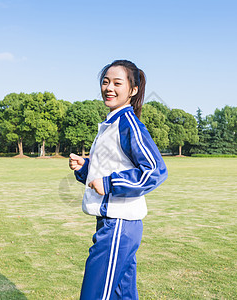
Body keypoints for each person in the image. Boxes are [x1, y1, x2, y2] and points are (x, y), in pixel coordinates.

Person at [69, 59, 168, 300]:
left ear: (133, 90)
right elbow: (109, 169)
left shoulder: (128, 124)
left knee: (94, 295)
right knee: (122, 295)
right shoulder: (110, 124)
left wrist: (111, 183)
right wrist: (86, 169)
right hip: (112, 222)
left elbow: (155, 170)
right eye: (105, 82)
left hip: (119, 224)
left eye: (117, 83)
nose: (109, 88)